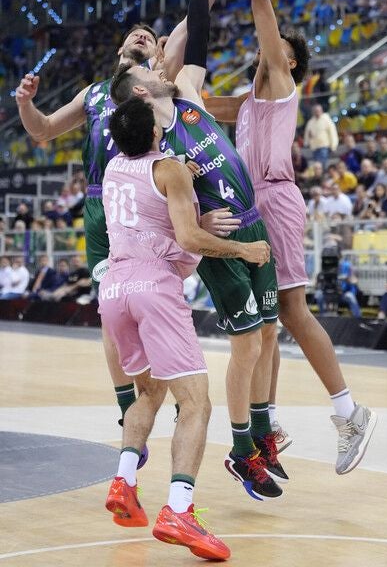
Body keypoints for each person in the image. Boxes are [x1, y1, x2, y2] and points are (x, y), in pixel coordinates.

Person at [15, 0, 234, 443]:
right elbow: (45, 132)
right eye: (133, 32)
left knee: (159, 292)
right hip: (105, 204)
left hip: (156, 188)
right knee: (111, 310)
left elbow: (197, 16)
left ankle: (194, 397)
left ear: (158, 53)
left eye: (150, 36)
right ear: (119, 47)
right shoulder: (95, 94)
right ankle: (130, 407)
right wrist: (26, 104)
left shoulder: (159, 77)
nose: (142, 35)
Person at [205, 0, 376, 475]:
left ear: (288, 60)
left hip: (275, 200)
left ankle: (348, 411)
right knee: (266, 323)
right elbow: (193, 99)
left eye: (273, 48)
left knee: (293, 313)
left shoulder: (279, 82)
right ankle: (267, 425)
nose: (261, 51)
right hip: (253, 207)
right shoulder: (247, 101)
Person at [110, 0, 286, 499]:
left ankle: (257, 438)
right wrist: (206, 226)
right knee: (246, 347)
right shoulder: (155, 150)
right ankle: (242, 451)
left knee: (266, 337)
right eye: (155, 59)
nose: (169, 59)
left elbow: (201, 29)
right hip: (221, 239)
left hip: (251, 217)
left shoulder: (187, 91)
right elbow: (165, 208)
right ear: (142, 86)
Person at [101, 98, 269, 557]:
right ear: (155, 134)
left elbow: (151, 204)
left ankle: (124, 480)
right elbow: (190, 238)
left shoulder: (114, 167)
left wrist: (185, 188)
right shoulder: (169, 169)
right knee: (195, 404)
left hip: (113, 289)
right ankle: (179, 508)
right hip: (153, 287)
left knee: (148, 394)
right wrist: (242, 251)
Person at [303, 103, 339, 169]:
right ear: (313, 112)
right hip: (314, 148)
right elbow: (307, 134)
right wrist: (306, 143)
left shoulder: (327, 120)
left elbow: (332, 133)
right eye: (315, 111)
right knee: (317, 166)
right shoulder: (310, 122)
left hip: (324, 146)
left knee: (322, 165)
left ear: (321, 111)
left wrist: (333, 146)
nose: (317, 112)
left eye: (318, 111)